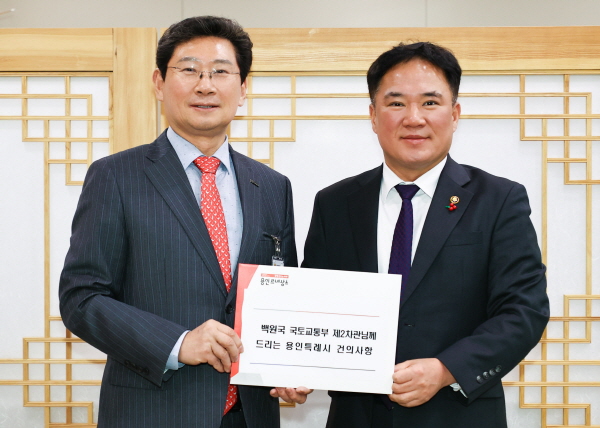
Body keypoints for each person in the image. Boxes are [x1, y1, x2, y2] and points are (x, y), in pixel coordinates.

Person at [59, 16, 309, 428]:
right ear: (159, 83)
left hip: (250, 415)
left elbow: (286, 293)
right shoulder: (116, 176)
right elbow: (81, 298)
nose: (205, 86)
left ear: (243, 89)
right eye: (189, 70)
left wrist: (293, 362)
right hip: (153, 412)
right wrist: (178, 343)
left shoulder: (272, 186)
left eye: (221, 72)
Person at [302, 42, 549, 427]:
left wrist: (445, 369)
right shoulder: (335, 203)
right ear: (373, 115)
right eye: (396, 103)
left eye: (430, 103)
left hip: (458, 416)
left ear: (455, 114)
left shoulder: (498, 200)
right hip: (357, 416)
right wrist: (295, 367)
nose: (413, 118)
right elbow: (314, 304)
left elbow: (524, 310)